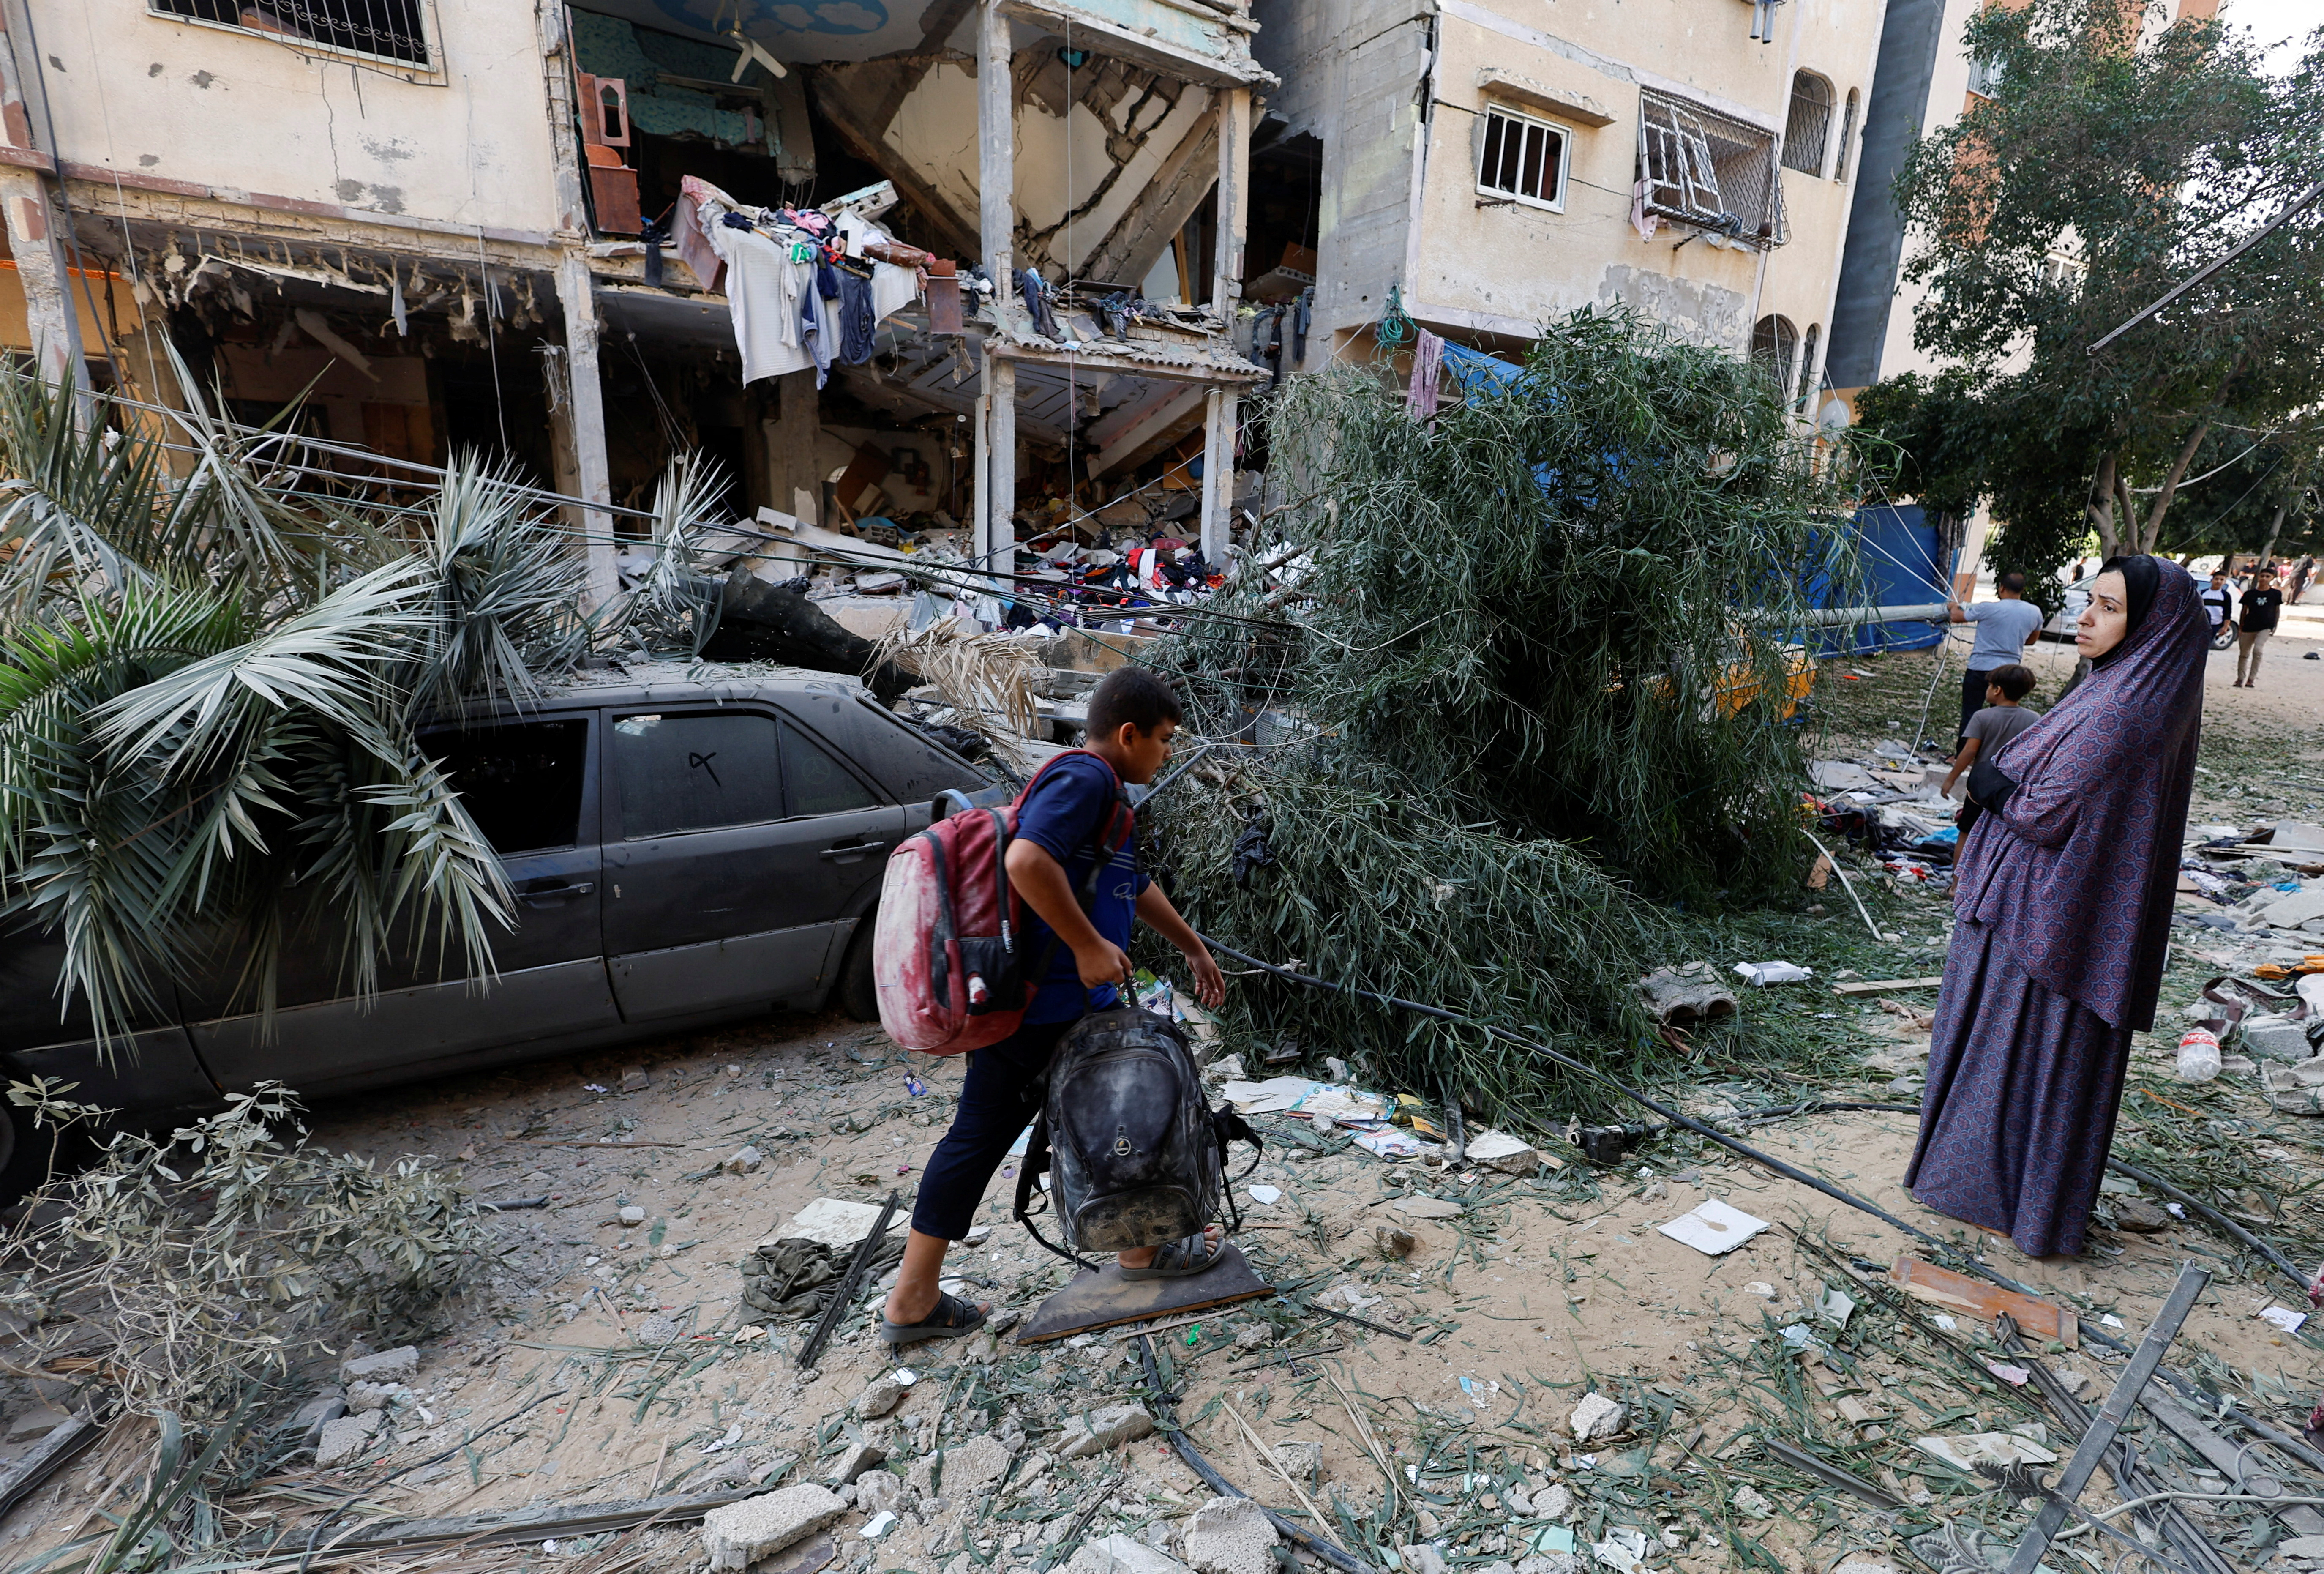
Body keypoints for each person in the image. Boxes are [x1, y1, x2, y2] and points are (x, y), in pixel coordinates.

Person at [879, 667, 1228, 1346]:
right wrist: (1089, 945)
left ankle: (921, 1295)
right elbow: (1027, 862)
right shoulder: (1086, 780)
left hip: (1059, 1003)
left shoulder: (1109, 798)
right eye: (1162, 741)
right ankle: (918, 1297)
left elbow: (1133, 881)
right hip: (1047, 1008)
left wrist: (1191, 948)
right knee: (1095, 1117)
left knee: (1026, 1129)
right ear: (1128, 735)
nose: (1164, 755)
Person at [1906, 557, 2206, 1260]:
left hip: (2050, 919)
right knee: (2004, 1049)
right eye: (2089, 601)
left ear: (2152, 625)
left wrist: (1992, 784)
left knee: (2013, 1052)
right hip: (2048, 906)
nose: (2087, 619)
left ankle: (1993, 1196)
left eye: (2109, 608)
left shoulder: (2125, 707)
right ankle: (1991, 1190)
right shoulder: (2126, 685)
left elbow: (2048, 811)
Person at [1946, 572, 2045, 743]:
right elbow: (2031, 640)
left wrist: (1952, 606)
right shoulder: (2035, 611)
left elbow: (1957, 617)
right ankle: (1995, 753)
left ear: (2002, 588)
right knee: (2003, 715)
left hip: (1980, 667)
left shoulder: (1987, 608)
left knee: (1971, 713)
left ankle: (1962, 754)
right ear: (2023, 590)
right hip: (2010, 671)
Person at [1941, 663, 2039, 801]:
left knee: (1970, 821)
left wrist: (1951, 779)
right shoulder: (2034, 719)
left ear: (1997, 690)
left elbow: (1969, 751)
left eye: (1990, 686)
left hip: (1981, 782)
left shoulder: (1982, 717)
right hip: (2012, 785)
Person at [2235, 566, 2283, 688]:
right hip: (2249, 626)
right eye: (2262, 576)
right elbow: (2244, 611)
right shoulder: (2250, 594)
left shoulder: (2276, 594)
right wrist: (2241, 626)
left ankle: (2251, 679)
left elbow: (2277, 611)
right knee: (2244, 654)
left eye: (2268, 577)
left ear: (2272, 578)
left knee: (2258, 651)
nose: (2264, 579)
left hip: (2265, 626)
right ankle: (2241, 678)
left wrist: (2275, 626)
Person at [2197, 568, 2236, 642]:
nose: (2219, 581)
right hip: (2201, 624)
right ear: (2212, 580)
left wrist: (2225, 627)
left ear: (2225, 582)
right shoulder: (2203, 593)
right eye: (2217, 579)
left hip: (2216, 625)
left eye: (2222, 580)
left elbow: (2228, 612)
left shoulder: (2225, 595)